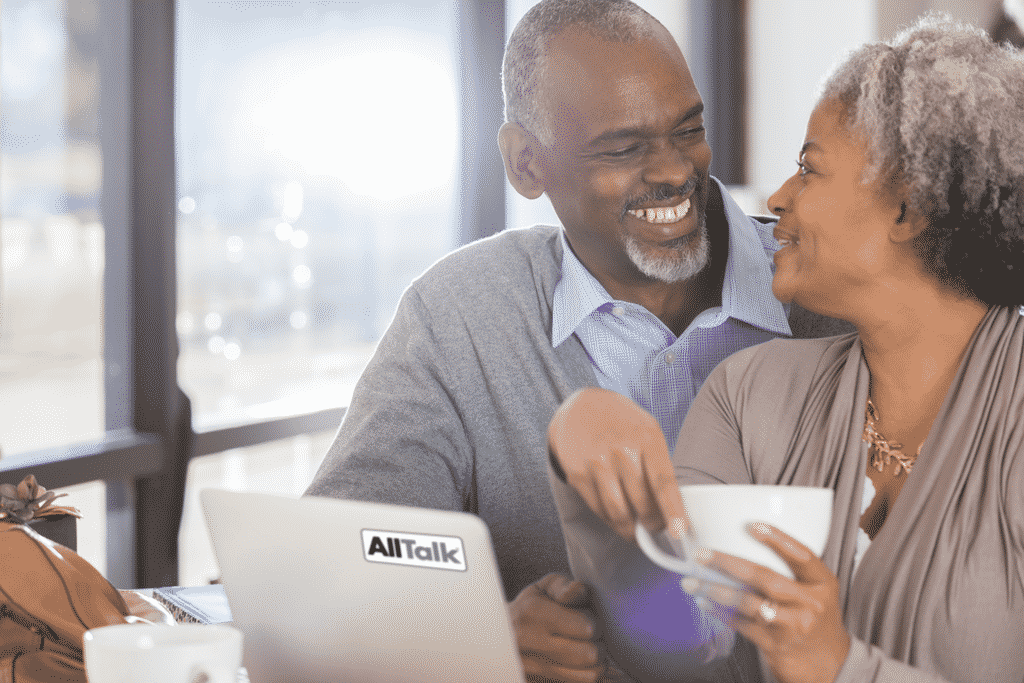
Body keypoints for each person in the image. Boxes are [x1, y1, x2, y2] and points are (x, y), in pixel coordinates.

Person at [306, 1, 849, 680]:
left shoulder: (830, 299)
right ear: (526, 163)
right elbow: (341, 558)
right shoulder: (461, 314)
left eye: (689, 129)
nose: (674, 170)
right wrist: (473, 634)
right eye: (623, 148)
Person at [548, 13, 1024, 683]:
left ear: (908, 208)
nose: (777, 198)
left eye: (810, 169)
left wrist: (841, 667)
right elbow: (674, 645)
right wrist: (583, 461)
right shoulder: (748, 392)